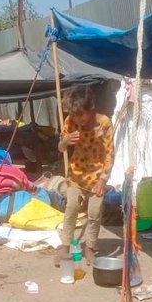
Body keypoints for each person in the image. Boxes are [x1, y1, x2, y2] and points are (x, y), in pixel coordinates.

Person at [55, 85, 115, 265]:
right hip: (76, 176)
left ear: (92, 107)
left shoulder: (104, 123)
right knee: (71, 208)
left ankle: (90, 248)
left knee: (94, 213)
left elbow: (110, 153)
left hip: (97, 178)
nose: (77, 119)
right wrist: (66, 141)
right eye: (74, 114)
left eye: (80, 114)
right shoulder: (70, 122)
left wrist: (103, 180)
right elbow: (60, 148)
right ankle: (65, 248)